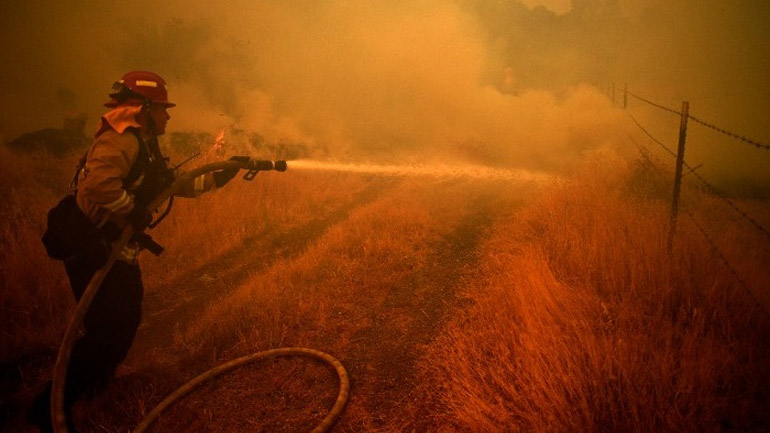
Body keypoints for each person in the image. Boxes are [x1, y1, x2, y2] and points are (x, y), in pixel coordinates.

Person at [30, 71, 244, 432]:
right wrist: (131, 209)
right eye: (162, 108)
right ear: (142, 109)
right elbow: (99, 186)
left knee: (123, 323)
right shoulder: (121, 141)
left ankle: (97, 386)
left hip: (117, 251)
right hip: (93, 251)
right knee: (106, 332)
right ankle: (48, 410)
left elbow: (169, 186)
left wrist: (221, 174)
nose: (168, 115)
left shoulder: (144, 143)